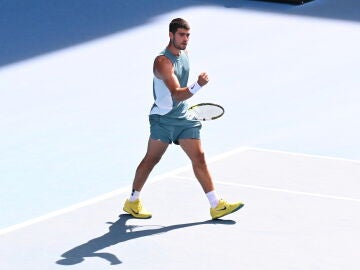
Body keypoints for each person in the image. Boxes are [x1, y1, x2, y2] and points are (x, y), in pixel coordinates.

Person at [123, 18, 244, 219]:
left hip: (183, 118)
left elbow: (181, 98)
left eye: (188, 35)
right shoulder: (162, 62)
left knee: (199, 158)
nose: (185, 39)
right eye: (181, 35)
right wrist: (198, 85)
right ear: (171, 35)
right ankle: (132, 202)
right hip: (162, 120)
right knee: (152, 159)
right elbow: (176, 94)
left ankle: (216, 205)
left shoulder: (184, 54)